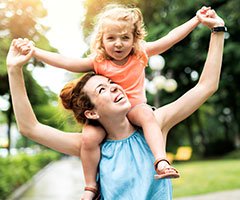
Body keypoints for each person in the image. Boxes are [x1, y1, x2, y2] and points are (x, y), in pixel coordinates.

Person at [7, 8, 225, 200]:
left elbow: (206, 86)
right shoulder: (90, 145)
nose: (115, 87)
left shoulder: (154, 125)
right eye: (102, 89)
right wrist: (14, 69)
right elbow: (30, 128)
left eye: (112, 83)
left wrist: (217, 31)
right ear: (91, 112)